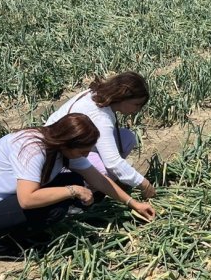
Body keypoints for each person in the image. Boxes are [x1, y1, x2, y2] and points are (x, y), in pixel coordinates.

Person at [0, 113, 155, 260]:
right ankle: (1, 245)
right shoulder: (32, 149)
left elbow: (98, 180)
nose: (86, 155)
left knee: (76, 180)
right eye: (83, 150)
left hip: (9, 199)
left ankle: (30, 229)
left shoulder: (60, 147)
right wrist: (72, 191)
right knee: (58, 205)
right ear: (67, 143)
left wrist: (133, 203)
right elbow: (27, 200)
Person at [45, 72, 156, 201]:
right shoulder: (100, 116)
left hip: (77, 144)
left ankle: (108, 181)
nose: (137, 110)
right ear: (123, 95)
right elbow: (113, 162)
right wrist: (144, 184)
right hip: (60, 158)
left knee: (127, 138)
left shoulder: (97, 94)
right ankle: (80, 194)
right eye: (136, 104)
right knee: (103, 172)